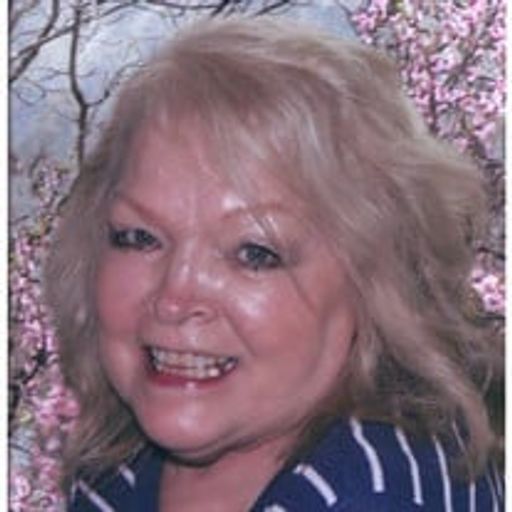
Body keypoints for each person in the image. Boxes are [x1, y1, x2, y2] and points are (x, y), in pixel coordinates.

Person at [45, 16, 504, 511]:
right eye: (140, 238)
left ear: (375, 285)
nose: (174, 298)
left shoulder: (377, 495)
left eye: (254, 253)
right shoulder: (114, 469)